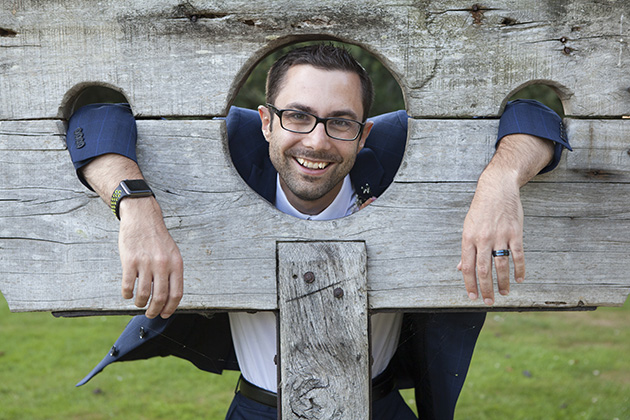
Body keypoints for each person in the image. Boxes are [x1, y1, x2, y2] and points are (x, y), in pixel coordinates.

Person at [66, 45, 570, 419]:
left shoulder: (397, 149)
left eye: (340, 123)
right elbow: (93, 117)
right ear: (265, 122)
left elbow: (537, 114)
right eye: (297, 116)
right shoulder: (231, 143)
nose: (317, 141)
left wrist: (501, 178)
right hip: (258, 407)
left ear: (364, 132)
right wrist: (134, 204)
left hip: (381, 405)